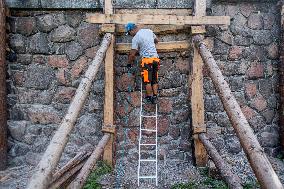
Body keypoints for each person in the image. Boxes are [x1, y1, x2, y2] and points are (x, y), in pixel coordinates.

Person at [125, 23, 160, 104]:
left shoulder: (135, 38)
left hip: (147, 60)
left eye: (129, 33)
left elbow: (132, 54)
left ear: (132, 30)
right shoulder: (148, 31)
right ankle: (155, 96)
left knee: (147, 81)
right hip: (156, 59)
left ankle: (149, 97)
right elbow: (156, 41)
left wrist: (129, 63)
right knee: (154, 80)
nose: (130, 35)